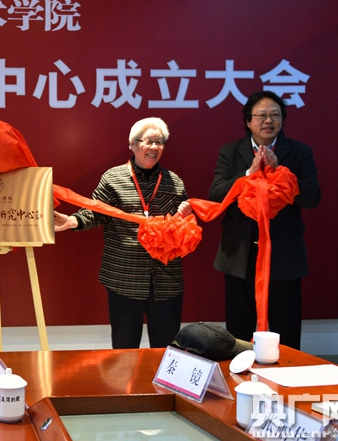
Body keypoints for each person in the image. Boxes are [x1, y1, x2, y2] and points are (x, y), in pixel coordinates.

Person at [54, 118, 192, 349]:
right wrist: (72, 221)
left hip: (166, 279)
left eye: (159, 142)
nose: (154, 147)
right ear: (133, 144)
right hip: (124, 276)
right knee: (124, 349)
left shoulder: (174, 182)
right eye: (148, 141)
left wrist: (185, 216)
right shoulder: (113, 178)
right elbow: (96, 212)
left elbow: (183, 231)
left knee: (168, 349)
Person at [209, 90, 320, 350]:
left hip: (284, 251)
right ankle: (240, 371)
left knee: (286, 324)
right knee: (239, 325)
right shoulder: (230, 152)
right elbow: (216, 195)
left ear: (282, 120)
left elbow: (313, 197)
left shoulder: (299, 152)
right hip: (240, 251)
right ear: (248, 121)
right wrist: (249, 173)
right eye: (261, 116)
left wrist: (281, 172)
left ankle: (287, 370)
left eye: (275, 115)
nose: (268, 121)